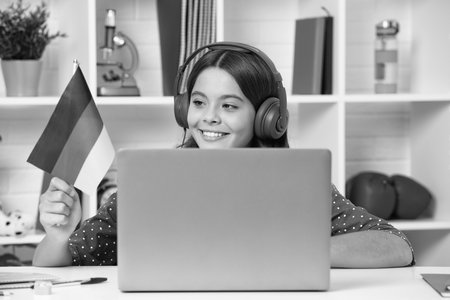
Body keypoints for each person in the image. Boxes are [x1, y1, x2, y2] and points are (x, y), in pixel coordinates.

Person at [33, 42, 414, 268]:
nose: (209, 117)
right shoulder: (153, 180)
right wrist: (59, 235)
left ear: (267, 118)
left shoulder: (296, 181)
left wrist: (288, 250)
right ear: (184, 110)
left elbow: (397, 246)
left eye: (230, 106)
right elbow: (56, 262)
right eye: (199, 102)